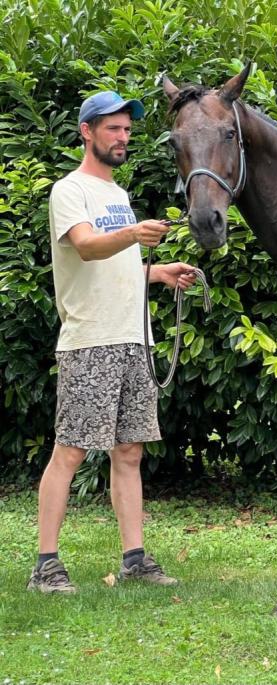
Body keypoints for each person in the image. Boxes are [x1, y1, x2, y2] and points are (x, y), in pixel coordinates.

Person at [28, 90, 198, 593]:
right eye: (113, 129)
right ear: (87, 132)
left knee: (129, 453)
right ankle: (46, 565)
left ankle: (135, 559)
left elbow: (115, 266)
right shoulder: (69, 190)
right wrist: (133, 236)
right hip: (90, 341)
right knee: (72, 451)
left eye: (127, 129)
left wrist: (159, 272)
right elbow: (85, 246)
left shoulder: (119, 196)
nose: (123, 137)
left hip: (132, 340)